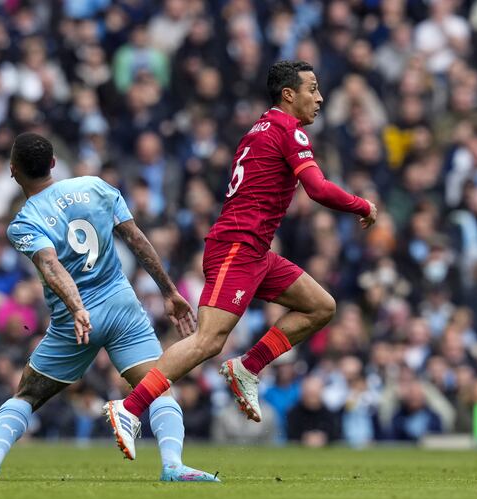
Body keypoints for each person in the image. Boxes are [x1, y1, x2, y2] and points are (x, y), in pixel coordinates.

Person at [107, 60, 378, 460]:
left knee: (321, 306)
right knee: (208, 340)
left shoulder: (259, 129)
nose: (320, 98)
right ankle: (128, 408)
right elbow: (317, 189)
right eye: (312, 89)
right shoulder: (289, 130)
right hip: (237, 246)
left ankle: (248, 367)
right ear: (289, 94)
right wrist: (362, 204)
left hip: (255, 251)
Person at [0, 133, 217, 482]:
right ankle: (174, 466)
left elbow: (51, 264)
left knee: (26, 393)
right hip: (122, 307)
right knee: (157, 387)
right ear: (54, 163)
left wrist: (76, 307)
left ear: (13, 171)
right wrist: (170, 291)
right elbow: (135, 238)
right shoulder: (96, 186)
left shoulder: (23, 221)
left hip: (76, 323)